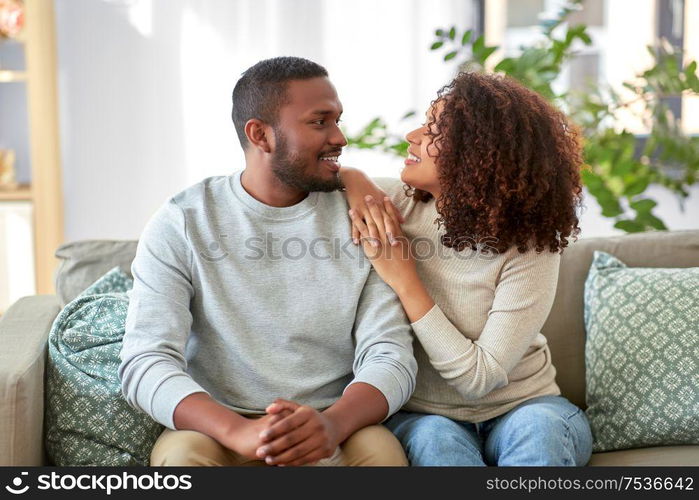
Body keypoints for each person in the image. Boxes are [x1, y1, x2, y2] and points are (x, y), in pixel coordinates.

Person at [118, 56, 417, 467]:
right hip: (219, 429)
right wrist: (236, 430)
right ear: (261, 135)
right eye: (320, 122)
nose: (340, 137)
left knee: (382, 455)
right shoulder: (183, 221)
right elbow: (145, 360)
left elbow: (390, 355)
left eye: (337, 120)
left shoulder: (362, 217)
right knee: (182, 458)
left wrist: (332, 425)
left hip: (335, 424)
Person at [340, 71, 593, 466]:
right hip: (425, 417)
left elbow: (482, 377)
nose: (413, 135)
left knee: (539, 433)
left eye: (434, 129)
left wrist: (405, 280)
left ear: (478, 152)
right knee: (436, 441)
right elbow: (329, 175)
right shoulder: (396, 206)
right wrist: (354, 178)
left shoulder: (528, 245)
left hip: (527, 407)